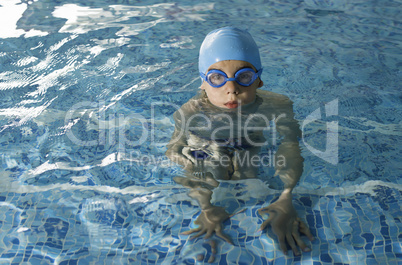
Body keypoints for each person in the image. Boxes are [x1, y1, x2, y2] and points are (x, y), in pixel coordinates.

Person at [165, 27, 314, 257]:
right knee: (207, 164)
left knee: (249, 181)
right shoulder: (190, 112)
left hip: (249, 143)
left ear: (259, 79)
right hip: (207, 142)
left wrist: (286, 196)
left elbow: (291, 143)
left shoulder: (277, 105)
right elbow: (174, 150)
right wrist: (204, 200)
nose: (231, 89)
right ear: (202, 82)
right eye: (217, 77)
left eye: (244, 76)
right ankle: (208, 210)